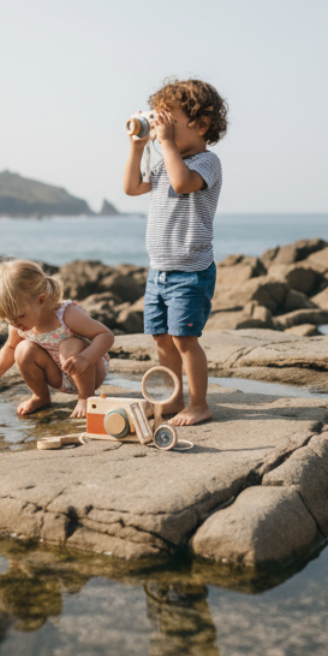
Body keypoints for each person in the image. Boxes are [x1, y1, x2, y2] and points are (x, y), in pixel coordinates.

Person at [122, 78, 228, 426]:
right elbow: (132, 187)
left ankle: (199, 403)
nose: (161, 129)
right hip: (159, 270)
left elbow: (183, 184)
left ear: (201, 125)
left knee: (185, 340)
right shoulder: (166, 161)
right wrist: (139, 146)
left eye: (170, 122)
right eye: (159, 122)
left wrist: (165, 143)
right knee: (162, 340)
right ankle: (172, 398)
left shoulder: (207, 162)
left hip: (190, 270)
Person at [0, 259, 114, 418]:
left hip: (89, 371)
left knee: (69, 345)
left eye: (20, 316)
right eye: (8, 319)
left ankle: (86, 397)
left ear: (41, 300)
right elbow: (10, 348)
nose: (15, 323)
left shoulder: (67, 314)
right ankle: (41, 397)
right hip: (58, 377)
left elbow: (105, 335)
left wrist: (85, 358)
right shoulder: (19, 324)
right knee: (22, 349)